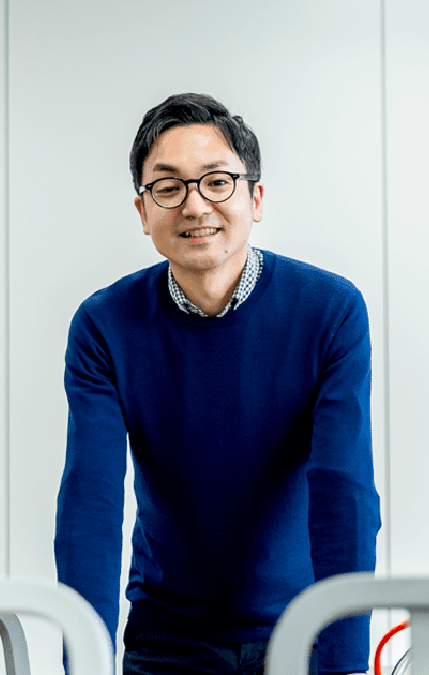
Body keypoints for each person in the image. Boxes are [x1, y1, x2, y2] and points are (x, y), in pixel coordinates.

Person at [55, 92, 381, 675]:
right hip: (168, 640)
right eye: (168, 187)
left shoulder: (330, 310)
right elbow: (91, 504)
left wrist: (345, 662)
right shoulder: (104, 325)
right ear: (143, 212)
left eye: (216, 182)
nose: (195, 204)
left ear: (255, 198)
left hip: (303, 634)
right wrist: (85, 662)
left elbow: (344, 491)